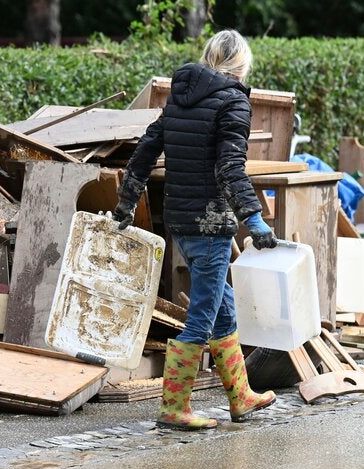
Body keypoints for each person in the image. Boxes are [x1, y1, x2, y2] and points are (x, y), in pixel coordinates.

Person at [113, 29, 278, 430]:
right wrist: (254, 219)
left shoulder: (180, 98)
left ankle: (240, 397)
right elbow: (230, 168)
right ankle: (173, 407)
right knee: (203, 315)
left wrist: (125, 203)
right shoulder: (234, 101)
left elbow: (144, 152)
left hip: (182, 222)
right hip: (210, 224)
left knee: (223, 306)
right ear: (242, 64)